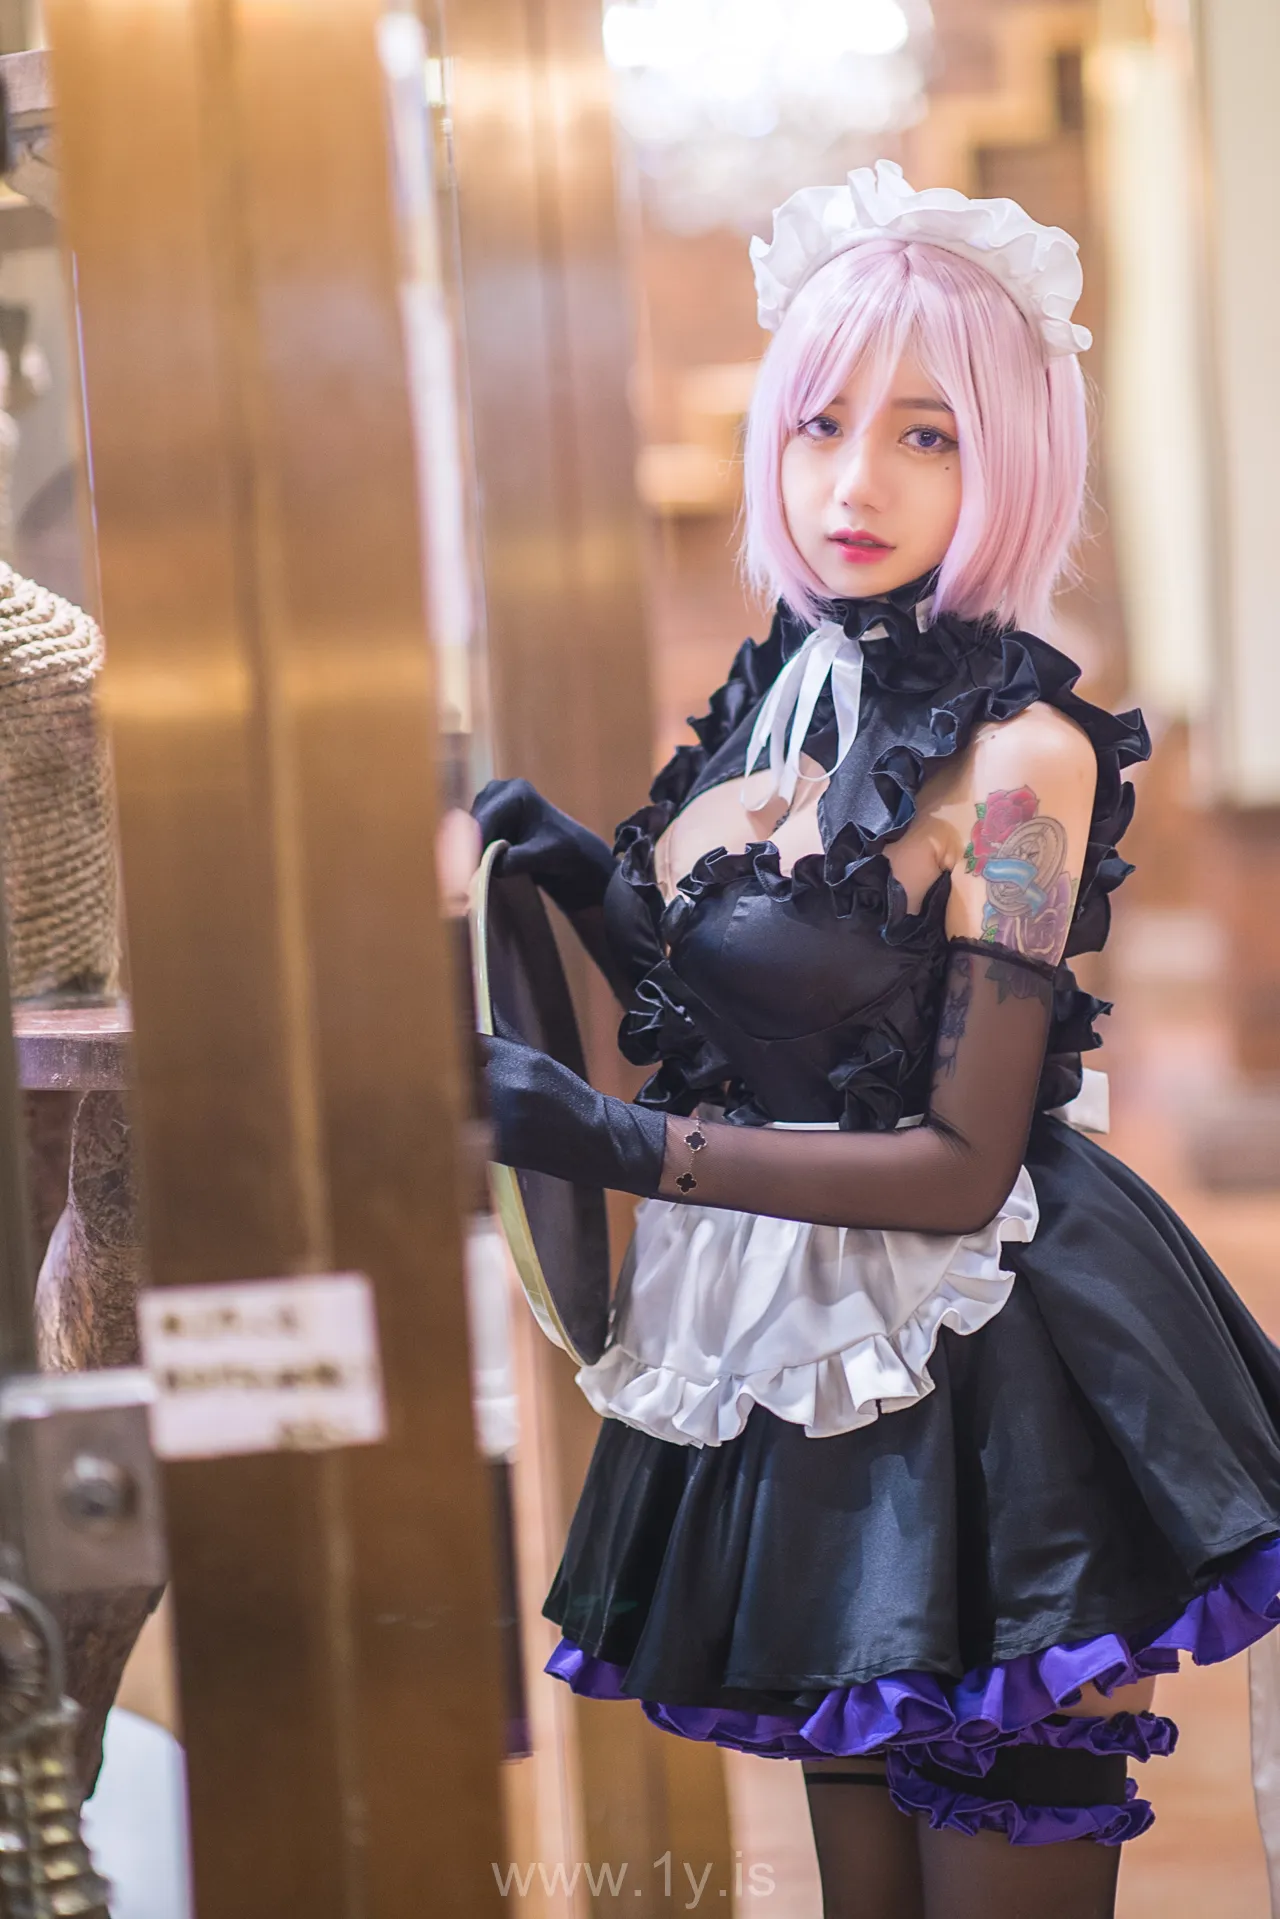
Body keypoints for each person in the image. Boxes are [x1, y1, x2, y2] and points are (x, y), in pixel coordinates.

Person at [474, 161, 1280, 1918]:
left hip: (994, 1369)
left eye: (929, 434)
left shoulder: (1026, 764)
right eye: (821, 422)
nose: (854, 482)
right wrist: (592, 885)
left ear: (1015, 458)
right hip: (805, 1366)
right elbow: (774, 1005)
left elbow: (961, 1161)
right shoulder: (787, 684)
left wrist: (617, 1144)